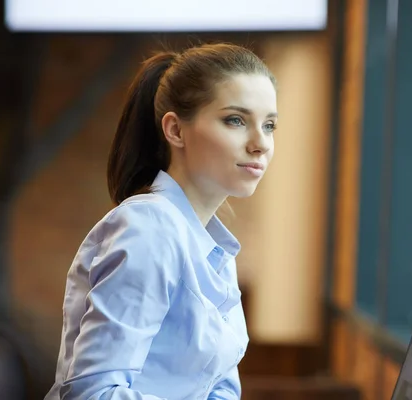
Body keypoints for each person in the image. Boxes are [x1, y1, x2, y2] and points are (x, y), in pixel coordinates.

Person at [45, 43, 278, 400]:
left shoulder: (214, 251)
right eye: (235, 120)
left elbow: (219, 389)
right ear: (176, 130)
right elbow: (93, 394)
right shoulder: (148, 229)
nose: (260, 143)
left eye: (269, 124)